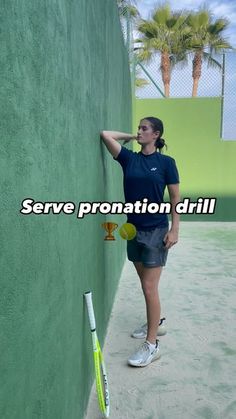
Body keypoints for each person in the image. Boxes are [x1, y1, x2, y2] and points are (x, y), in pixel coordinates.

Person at [100, 117, 180, 367]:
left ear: (156, 134)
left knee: (148, 287)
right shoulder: (129, 159)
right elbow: (106, 135)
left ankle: (152, 344)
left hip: (156, 230)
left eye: (144, 129)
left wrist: (175, 229)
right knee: (144, 282)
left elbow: (176, 198)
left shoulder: (166, 163)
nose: (139, 131)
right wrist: (132, 138)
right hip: (133, 230)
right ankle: (157, 322)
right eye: (139, 128)